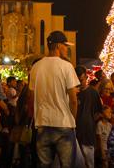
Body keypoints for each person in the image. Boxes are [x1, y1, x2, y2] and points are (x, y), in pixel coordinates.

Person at [29, 32, 79, 168]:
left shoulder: (36, 67)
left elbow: (31, 98)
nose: (66, 49)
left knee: (44, 165)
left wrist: (35, 116)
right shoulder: (66, 67)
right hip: (63, 124)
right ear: (58, 46)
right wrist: (73, 119)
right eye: (65, 46)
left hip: (43, 124)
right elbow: (73, 100)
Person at [74, 66, 101, 168]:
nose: (79, 82)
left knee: (89, 163)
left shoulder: (93, 92)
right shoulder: (73, 92)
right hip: (75, 134)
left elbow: (99, 111)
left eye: (81, 80)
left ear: (86, 77)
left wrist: (90, 121)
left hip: (88, 134)